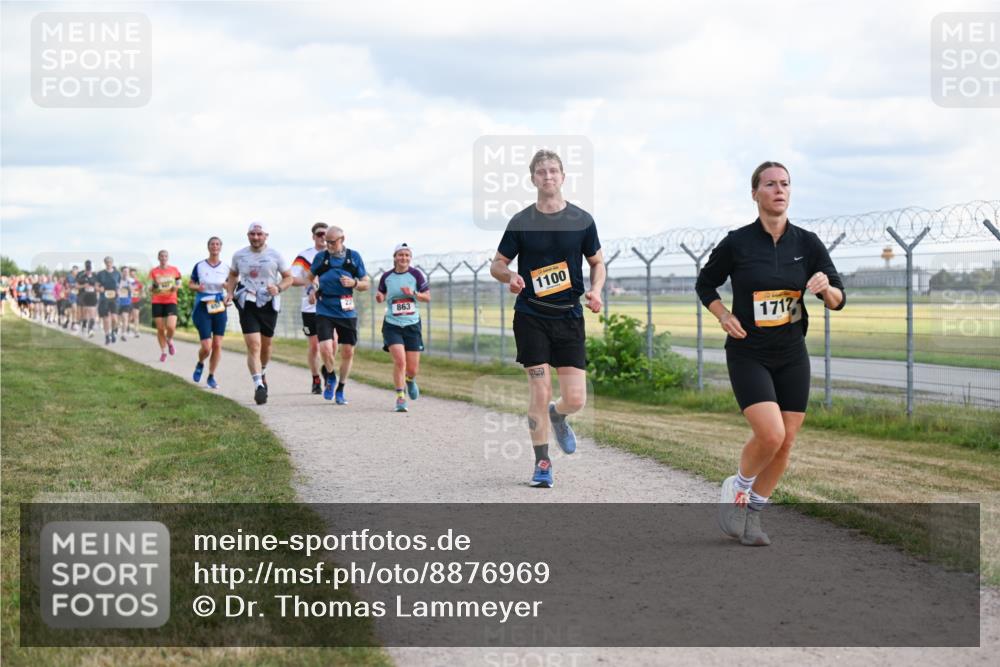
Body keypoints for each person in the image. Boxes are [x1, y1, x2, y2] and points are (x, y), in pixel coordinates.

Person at [696, 161, 846, 547]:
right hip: (749, 351)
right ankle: (738, 489)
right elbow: (705, 283)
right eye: (770, 184)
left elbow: (838, 299)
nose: (779, 190)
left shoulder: (807, 243)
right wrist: (723, 315)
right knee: (771, 433)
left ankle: (753, 518)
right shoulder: (738, 242)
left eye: (785, 184)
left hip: (792, 353)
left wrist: (824, 288)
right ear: (755, 194)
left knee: (787, 440)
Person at [489, 149, 605, 488]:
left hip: (569, 316)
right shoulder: (522, 221)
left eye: (553, 170)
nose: (548, 176)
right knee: (539, 392)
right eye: (541, 172)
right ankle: (542, 462)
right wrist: (508, 275)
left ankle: (559, 415)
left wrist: (596, 290)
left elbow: (597, 262)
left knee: (576, 399)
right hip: (531, 316)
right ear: (533, 179)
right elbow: (496, 263)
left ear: (563, 176)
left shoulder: (582, 220)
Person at [224, 222, 293, 405]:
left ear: (266, 236)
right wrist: (230, 293)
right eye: (252, 234)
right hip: (247, 301)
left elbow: (289, 278)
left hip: (269, 303)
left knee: (266, 345)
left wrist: (278, 288)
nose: (255, 237)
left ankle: (262, 372)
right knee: (254, 345)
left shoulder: (275, 255)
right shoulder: (239, 255)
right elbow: (232, 275)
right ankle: (258, 385)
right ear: (248, 235)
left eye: (259, 234)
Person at [302, 225, 370, 404]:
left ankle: (341, 387)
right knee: (324, 348)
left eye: (332, 242)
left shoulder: (353, 257)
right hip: (324, 307)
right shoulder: (321, 258)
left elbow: (366, 283)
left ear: (342, 240)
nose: (328, 245)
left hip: (346, 309)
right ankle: (330, 376)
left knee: (348, 352)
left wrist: (354, 283)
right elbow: (309, 276)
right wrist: (312, 288)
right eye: (326, 242)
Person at [376, 243, 429, 412]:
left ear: (410, 258)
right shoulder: (386, 276)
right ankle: (400, 397)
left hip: (412, 324)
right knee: (400, 361)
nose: (404, 258)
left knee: (412, 368)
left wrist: (413, 294)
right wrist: (379, 296)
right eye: (401, 255)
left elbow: (427, 297)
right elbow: (382, 293)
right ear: (395, 257)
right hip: (392, 324)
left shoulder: (416, 275)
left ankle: (410, 380)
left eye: (407, 255)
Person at [291, 222, 330, 394]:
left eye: (325, 234)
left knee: (332, 344)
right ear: (313, 236)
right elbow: (291, 279)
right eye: (319, 234)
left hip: (331, 305)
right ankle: (315, 378)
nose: (323, 237)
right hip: (310, 306)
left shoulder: (335, 255)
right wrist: (309, 281)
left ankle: (327, 369)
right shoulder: (304, 256)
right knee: (314, 346)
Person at [189, 237, 230, 389]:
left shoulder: (226, 267)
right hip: (203, 307)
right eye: (212, 244)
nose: (215, 246)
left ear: (221, 247)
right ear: (208, 247)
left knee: (218, 344)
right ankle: (200, 363)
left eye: (218, 244)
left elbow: (231, 287)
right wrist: (196, 288)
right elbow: (191, 284)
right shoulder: (199, 266)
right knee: (207, 347)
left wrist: (228, 291)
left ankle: (211, 376)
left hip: (219, 306)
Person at [149, 250, 182, 362]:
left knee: (171, 326)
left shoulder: (174, 270)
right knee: (160, 328)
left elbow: (179, 282)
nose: (163, 258)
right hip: (157, 301)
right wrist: (154, 286)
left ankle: (169, 340)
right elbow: (150, 287)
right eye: (161, 256)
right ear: (158, 258)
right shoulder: (154, 271)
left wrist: (176, 288)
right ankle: (163, 352)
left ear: (168, 257)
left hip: (171, 300)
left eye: (165, 256)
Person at [95, 256, 121, 345]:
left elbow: (119, 285)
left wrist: (118, 290)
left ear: (112, 263)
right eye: (107, 262)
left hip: (114, 298)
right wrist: (99, 289)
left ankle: (113, 332)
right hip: (104, 298)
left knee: (114, 319)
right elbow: (96, 286)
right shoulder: (100, 274)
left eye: (110, 262)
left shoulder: (117, 274)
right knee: (106, 319)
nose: (108, 263)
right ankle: (107, 336)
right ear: (105, 263)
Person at [76, 261, 99, 337]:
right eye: (87, 269)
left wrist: (95, 287)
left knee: (92, 313)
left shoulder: (95, 276)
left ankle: (90, 329)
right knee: (85, 313)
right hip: (84, 297)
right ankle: (84, 325)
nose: (88, 271)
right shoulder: (82, 276)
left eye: (89, 269)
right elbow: (77, 286)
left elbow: (98, 286)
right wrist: (83, 286)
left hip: (92, 296)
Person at [116, 267, 132, 341]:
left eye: (127, 272)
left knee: (125, 317)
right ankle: (116, 328)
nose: (126, 273)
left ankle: (123, 334)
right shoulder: (118, 281)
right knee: (117, 319)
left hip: (126, 302)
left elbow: (133, 291)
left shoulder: (130, 281)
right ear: (122, 272)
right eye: (124, 271)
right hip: (118, 302)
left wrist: (129, 285)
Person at [128, 267, 143, 337]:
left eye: (134, 273)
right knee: (129, 317)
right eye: (131, 273)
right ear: (129, 274)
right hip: (128, 301)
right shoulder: (127, 281)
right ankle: (126, 327)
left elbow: (141, 291)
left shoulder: (138, 282)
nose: (133, 274)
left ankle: (136, 331)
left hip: (136, 301)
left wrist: (140, 296)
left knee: (136, 316)